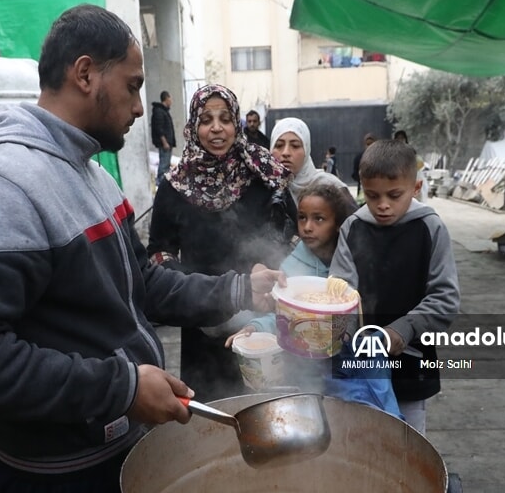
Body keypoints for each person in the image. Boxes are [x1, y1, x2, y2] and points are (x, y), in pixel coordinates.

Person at [0, 5, 284, 493]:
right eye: (133, 86)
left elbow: (141, 281)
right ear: (86, 74)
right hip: (62, 473)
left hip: (112, 447)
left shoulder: (90, 172)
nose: (141, 107)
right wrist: (122, 386)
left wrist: (239, 289)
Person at [147, 84, 292, 400]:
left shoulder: (260, 175)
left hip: (259, 316)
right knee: (213, 417)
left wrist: (266, 262)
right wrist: (190, 293)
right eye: (206, 119)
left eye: (225, 119)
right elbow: (159, 253)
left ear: (236, 123)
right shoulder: (175, 186)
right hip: (201, 318)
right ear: (193, 127)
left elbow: (286, 233)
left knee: (265, 404)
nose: (216, 128)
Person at [227, 181, 403, 417]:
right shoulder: (292, 266)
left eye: (319, 219)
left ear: (338, 225)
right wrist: (254, 327)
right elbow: (280, 314)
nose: (307, 227)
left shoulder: (354, 261)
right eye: (302, 218)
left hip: (351, 365)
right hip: (305, 369)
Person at [330, 139, 460, 435]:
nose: (383, 205)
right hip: (358, 366)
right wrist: (342, 333)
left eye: (394, 195)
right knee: (361, 441)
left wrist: (403, 330)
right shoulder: (353, 228)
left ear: (415, 189)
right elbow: (340, 291)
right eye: (372, 196)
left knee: (407, 446)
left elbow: (445, 298)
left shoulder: (430, 228)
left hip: (411, 364)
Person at [270, 117, 349, 231]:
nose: (286, 152)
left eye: (295, 145)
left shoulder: (330, 186)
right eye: (279, 145)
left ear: (306, 150)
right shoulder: (264, 188)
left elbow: (354, 234)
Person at [150, 90, 175, 186]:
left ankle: (165, 184)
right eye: (170, 98)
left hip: (168, 143)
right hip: (165, 144)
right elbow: (159, 128)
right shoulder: (159, 111)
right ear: (166, 98)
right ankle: (161, 184)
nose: (171, 101)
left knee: (166, 165)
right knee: (164, 165)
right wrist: (164, 142)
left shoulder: (164, 111)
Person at [351, 133, 376, 197]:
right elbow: (354, 173)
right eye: (368, 144)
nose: (370, 146)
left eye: (371, 144)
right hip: (363, 188)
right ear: (365, 145)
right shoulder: (359, 157)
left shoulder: (381, 157)